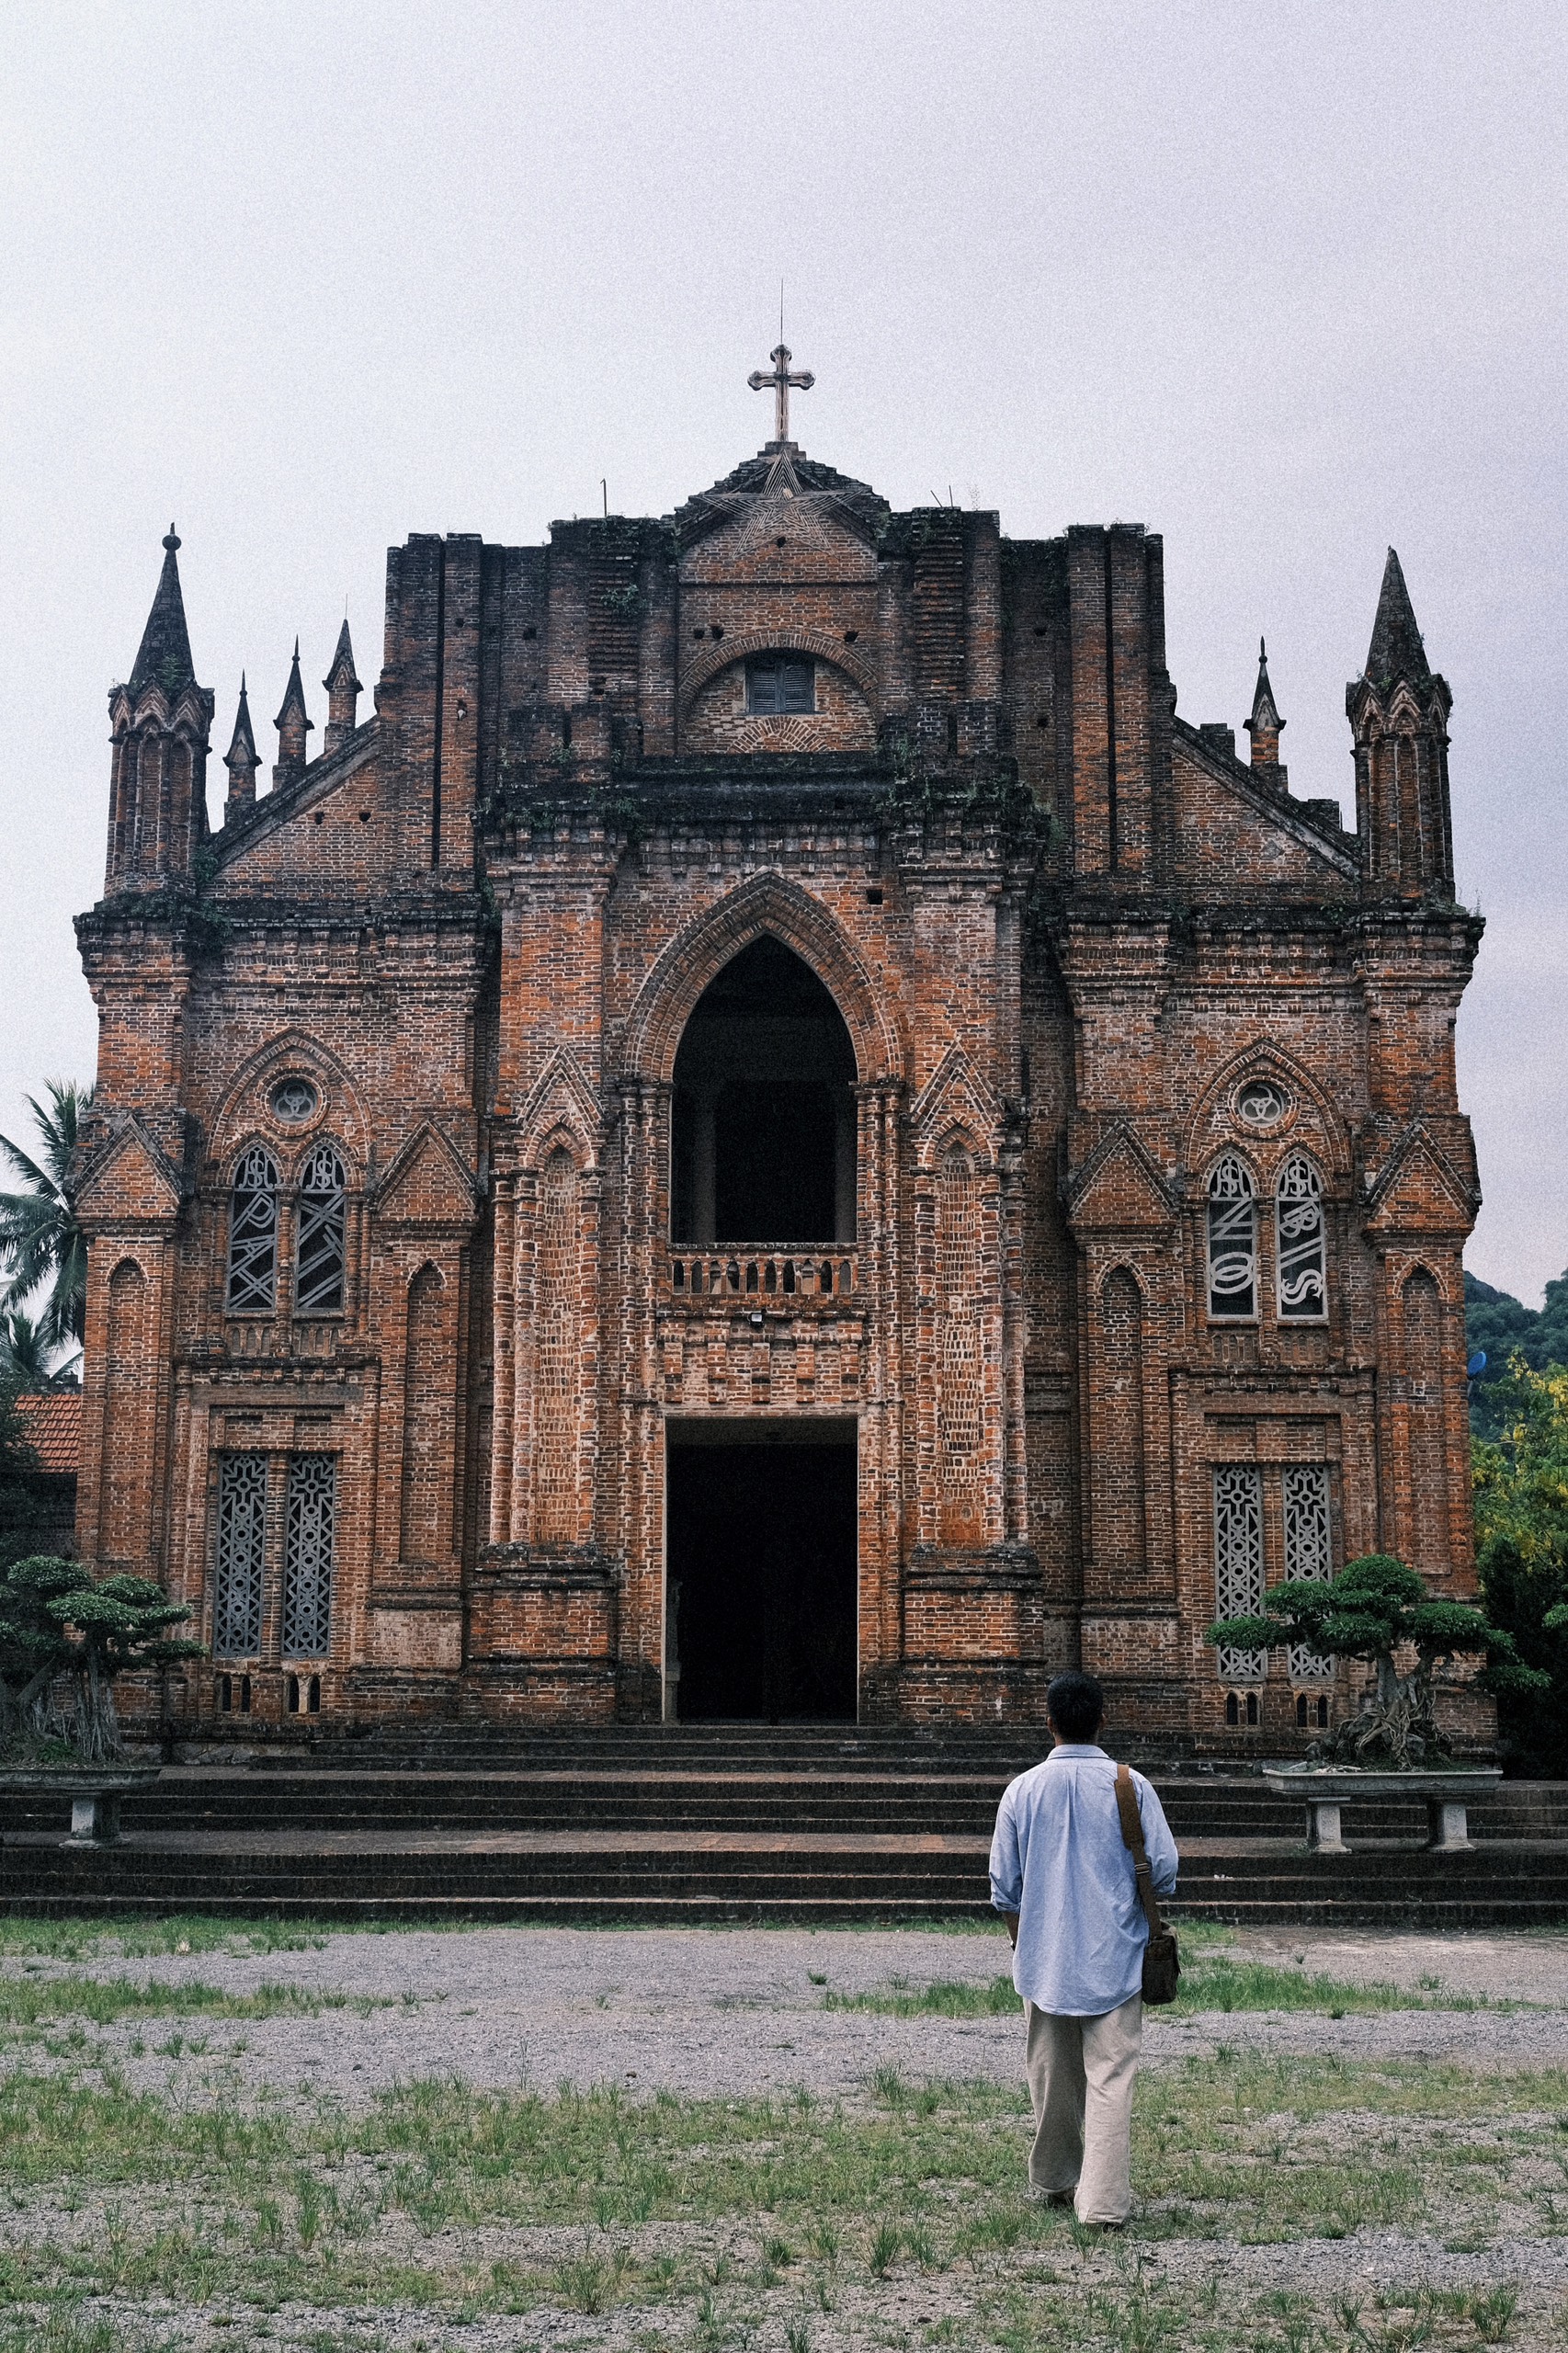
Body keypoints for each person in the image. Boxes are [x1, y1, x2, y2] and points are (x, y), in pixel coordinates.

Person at [988, 1669, 1178, 2228]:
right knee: (1111, 2076)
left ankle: (1054, 2178)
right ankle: (1101, 2205)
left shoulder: (1021, 1790)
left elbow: (1004, 1884)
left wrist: (1022, 1942)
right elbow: (1164, 1872)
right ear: (1102, 1720)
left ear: (1049, 1723)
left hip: (1042, 1955)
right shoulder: (1131, 1786)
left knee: (1051, 2075)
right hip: (1117, 1954)